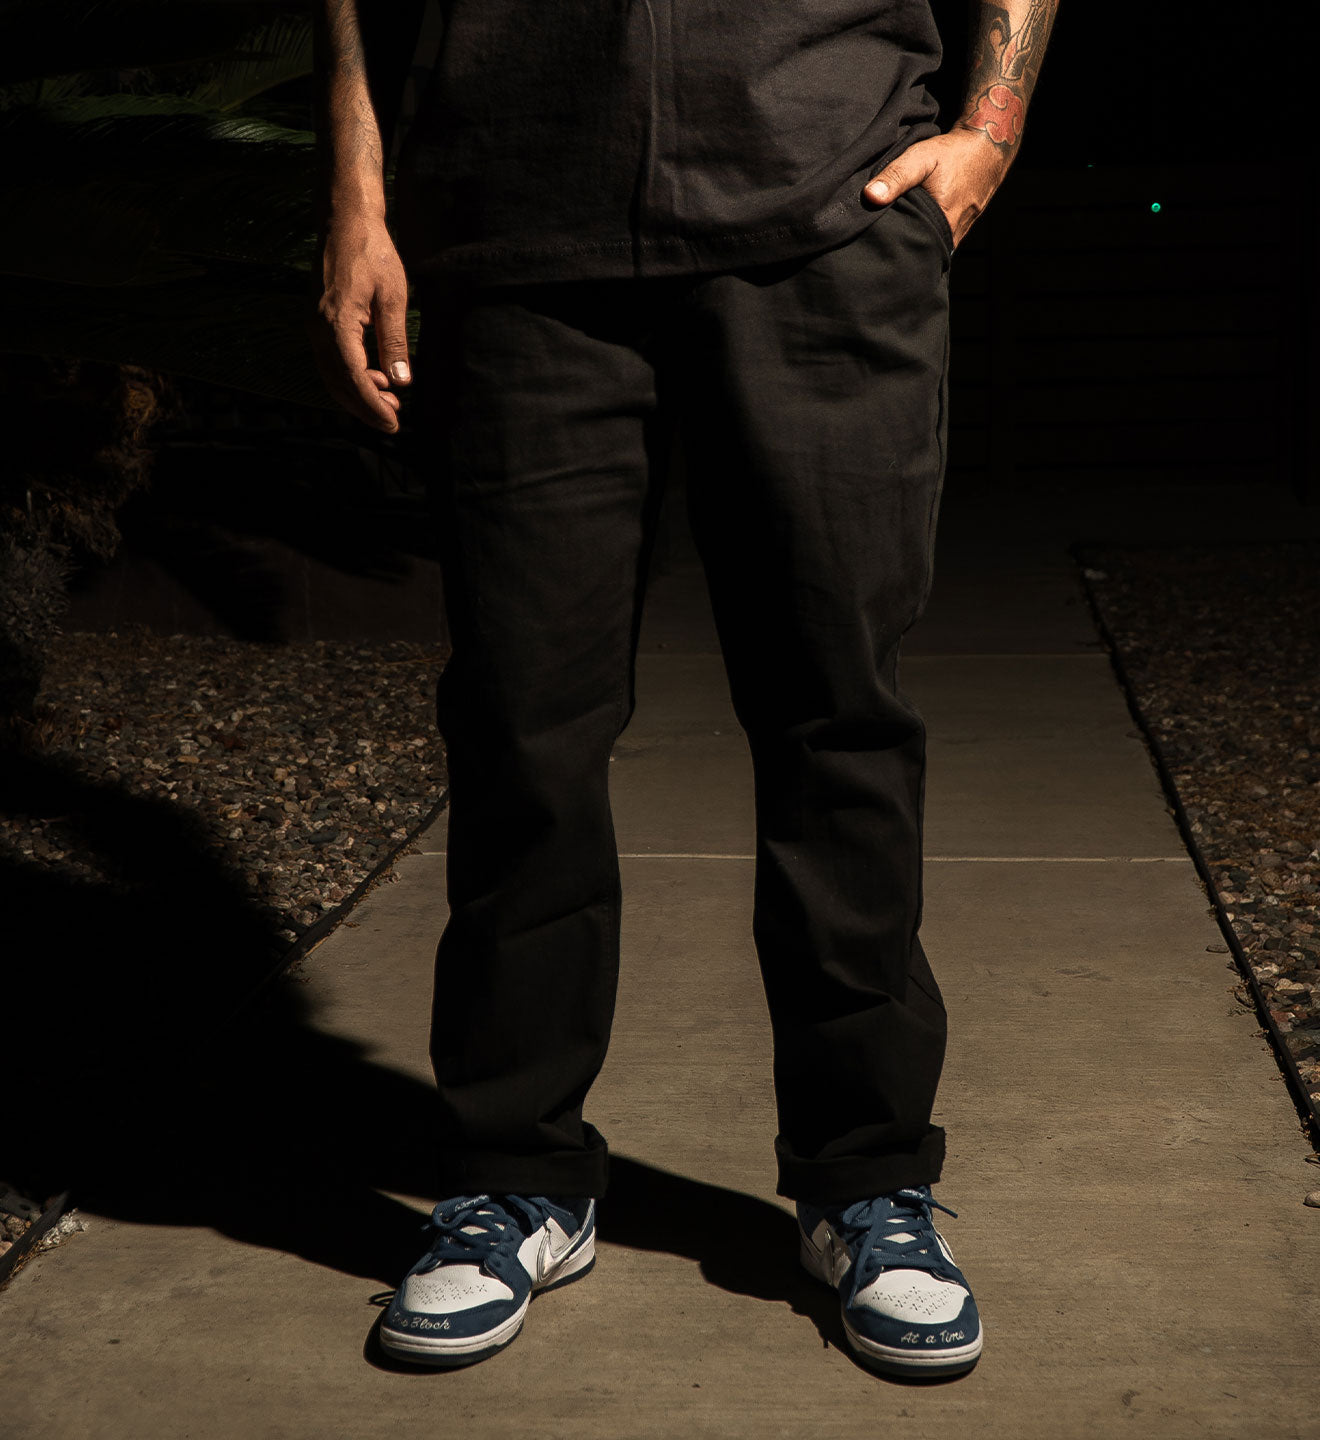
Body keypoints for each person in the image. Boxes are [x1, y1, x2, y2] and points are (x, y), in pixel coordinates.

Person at [309, 0, 1059, 1379]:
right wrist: (358, 190)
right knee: (524, 726)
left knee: (840, 716)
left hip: (825, 210)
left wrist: (990, 129)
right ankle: (516, 1173)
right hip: (514, 222)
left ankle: (865, 1183)